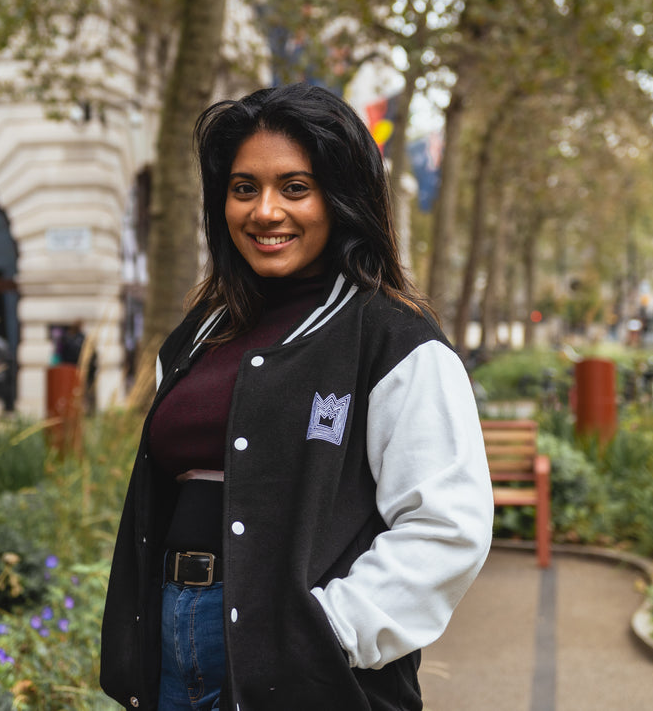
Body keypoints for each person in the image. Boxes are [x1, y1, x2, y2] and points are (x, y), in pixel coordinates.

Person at [99, 84, 493, 711]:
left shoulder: (391, 337)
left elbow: (448, 526)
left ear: (340, 197)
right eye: (244, 188)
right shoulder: (196, 336)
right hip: (174, 651)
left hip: (307, 673)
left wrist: (324, 635)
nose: (265, 211)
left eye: (295, 188)